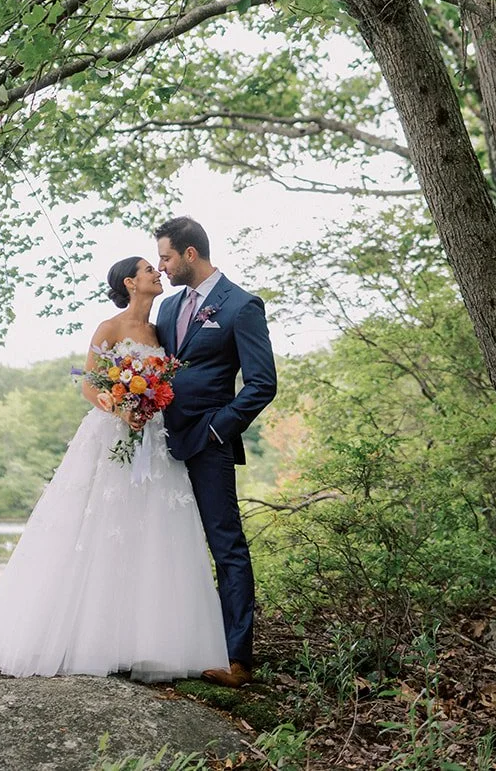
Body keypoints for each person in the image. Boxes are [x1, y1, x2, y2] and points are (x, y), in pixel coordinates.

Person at [0, 256, 229, 681]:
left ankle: (145, 641)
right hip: (111, 434)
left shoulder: (160, 333)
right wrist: (121, 407)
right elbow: (89, 383)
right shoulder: (109, 328)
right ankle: (80, 638)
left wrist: (150, 403)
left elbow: (166, 384)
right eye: (147, 270)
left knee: (152, 529)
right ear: (130, 282)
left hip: (154, 438)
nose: (156, 273)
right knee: (99, 526)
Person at [154, 216, 277, 689]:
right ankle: (173, 643)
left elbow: (262, 384)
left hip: (210, 444)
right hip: (162, 445)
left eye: (166, 257)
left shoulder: (242, 305)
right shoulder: (166, 308)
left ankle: (237, 659)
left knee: (226, 547)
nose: (161, 267)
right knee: (165, 545)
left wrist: (217, 430)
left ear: (189, 254)